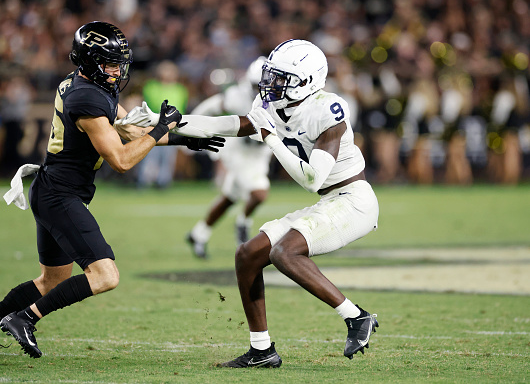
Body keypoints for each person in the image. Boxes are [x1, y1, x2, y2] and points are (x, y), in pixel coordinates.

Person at [0, 21, 224, 365]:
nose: (117, 70)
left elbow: (129, 129)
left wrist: (184, 139)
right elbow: (122, 160)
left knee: (51, 279)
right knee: (105, 276)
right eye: (111, 63)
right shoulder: (87, 97)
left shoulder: (86, 83)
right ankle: (25, 318)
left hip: (53, 190)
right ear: (91, 61)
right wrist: (160, 128)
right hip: (60, 195)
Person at [121, 39, 380, 367]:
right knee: (247, 255)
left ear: (306, 82)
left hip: (354, 201)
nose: (269, 83)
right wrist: (170, 121)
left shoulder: (328, 110)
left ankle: (355, 317)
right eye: (271, 74)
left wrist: (270, 136)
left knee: (284, 252)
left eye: (280, 77)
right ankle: (262, 350)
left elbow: (311, 178)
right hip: (329, 201)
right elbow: (228, 124)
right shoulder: (276, 104)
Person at [186, 56, 273, 258]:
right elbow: (211, 107)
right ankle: (243, 223)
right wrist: (191, 129)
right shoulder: (238, 95)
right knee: (259, 192)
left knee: (230, 198)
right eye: (255, 85)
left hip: (260, 153)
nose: (260, 90)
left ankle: (198, 233)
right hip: (239, 151)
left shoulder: (281, 96)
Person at [136, 60, 189, 189]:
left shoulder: (180, 89)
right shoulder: (151, 86)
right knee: (149, 152)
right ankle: (145, 180)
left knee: (168, 156)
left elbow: (181, 107)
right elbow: (153, 104)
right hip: (153, 125)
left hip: (173, 127)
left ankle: (163, 181)